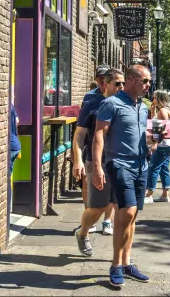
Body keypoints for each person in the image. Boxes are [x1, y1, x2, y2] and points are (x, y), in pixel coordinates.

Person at [93, 65, 153, 287]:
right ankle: (115, 265)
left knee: (133, 214)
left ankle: (127, 263)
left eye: (149, 82)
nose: (148, 85)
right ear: (131, 80)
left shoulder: (143, 107)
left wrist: (152, 141)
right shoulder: (111, 103)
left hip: (140, 164)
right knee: (126, 211)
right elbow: (99, 134)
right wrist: (98, 167)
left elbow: (138, 134)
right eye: (145, 81)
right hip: (119, 163)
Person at [72, 68, 122, 253]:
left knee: (122, 209)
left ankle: (122, 258)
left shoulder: (127, 102)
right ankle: (83, 232)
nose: (120, 87)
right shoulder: (91, 103)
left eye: (121, 83)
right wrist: (78, 161)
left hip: (120, 162)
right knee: (96, 207)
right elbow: (79, 135)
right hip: (96, 160)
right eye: (100, 81)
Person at [145, 90, 170, 204]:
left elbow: (163, 130)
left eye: (154, 97)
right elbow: (156, 123)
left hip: (163, 145)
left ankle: (149, 194)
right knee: (164, 168)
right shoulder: (165, 110)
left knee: (153, 167)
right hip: (168, 144)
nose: (152, 99)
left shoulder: (163, 111)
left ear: (158, 98)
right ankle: (165, 194)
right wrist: (153, 110)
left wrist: (154, 144)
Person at [9, 101, 21, 178]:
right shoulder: (10, 104)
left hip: (10, 146)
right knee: (8, 177)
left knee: (6, 180)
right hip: (15, 145)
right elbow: (17, 121)